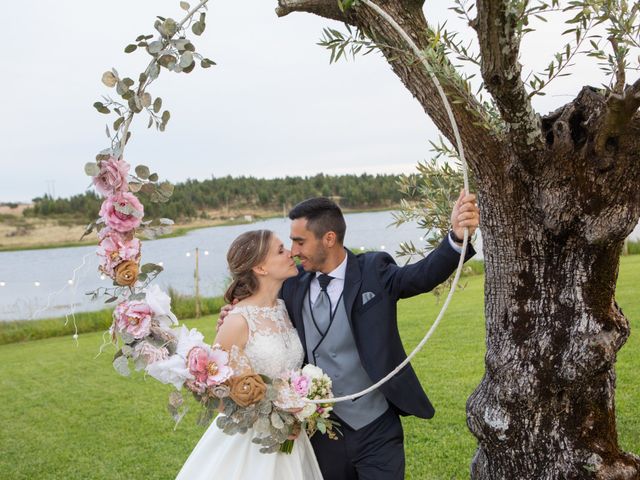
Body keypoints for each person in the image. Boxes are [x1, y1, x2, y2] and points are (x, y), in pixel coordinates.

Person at [220, 193, 480, 480]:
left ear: (329, 239)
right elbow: (259, 309)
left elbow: (421, 275)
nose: (293, 250)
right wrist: (232, 316)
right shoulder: (292, 286)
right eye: (290, 243)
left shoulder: (374, 271)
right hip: (319, 434)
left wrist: (456, 238)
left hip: (376, 428)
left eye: (300, 241)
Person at [176, 229, 324, 480]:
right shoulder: (237, 321)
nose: (291, 253)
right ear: (260, 268)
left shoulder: (284, 307)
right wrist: (268, 419)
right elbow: (217, 396)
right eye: (280, 250)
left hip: (292, 440)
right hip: (251, 446)